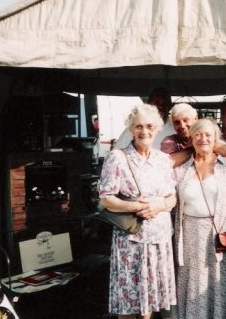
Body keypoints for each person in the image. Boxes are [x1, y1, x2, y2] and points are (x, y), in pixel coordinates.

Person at [99, 104, 177, 319]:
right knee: (129, 303)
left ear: (158, 128)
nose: (144, 131)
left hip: (159, 240)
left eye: (150, 126)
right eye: (139, 126)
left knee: (150, 304)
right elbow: (106, 199)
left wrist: (159, 205)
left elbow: (172, 197)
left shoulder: (163, 160)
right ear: (131, 129)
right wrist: (136, 206)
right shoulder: (117, 157)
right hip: (131, 241)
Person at [174, 119, 226, 319]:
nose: (203, 138)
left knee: (219, 284)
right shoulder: (181, 170)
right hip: (189, 237)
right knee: (193, 286)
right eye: (198, 134)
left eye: (208, 134)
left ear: (215, 139)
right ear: (191, 139)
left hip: (219, 238)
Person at [161, 103, 226, 159]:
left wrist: (201, 143)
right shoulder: (169, 141)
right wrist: (196, 147)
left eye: (185, 120)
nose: (182, 126)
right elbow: (167, 162)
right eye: (177, 122)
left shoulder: (207, 135)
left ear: (195, 118)